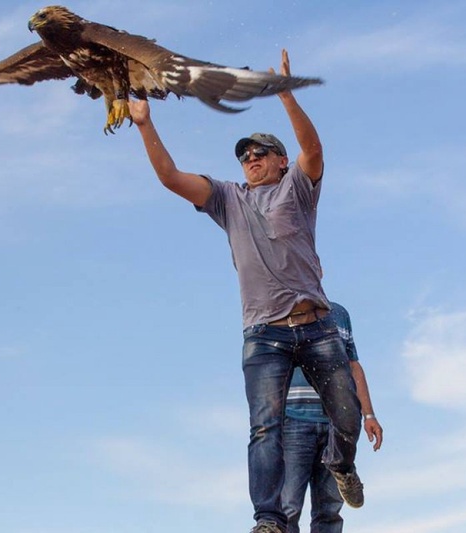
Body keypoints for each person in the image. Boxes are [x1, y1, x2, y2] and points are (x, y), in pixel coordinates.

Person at [128, 50, 363, 533]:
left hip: (317, 324)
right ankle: (269, 520)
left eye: (260, 154)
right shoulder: (226, 198)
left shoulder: (298, 188)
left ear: (279, 161)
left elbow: (313, 150)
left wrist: (286, 94)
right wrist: (144, 124)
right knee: (264, 428)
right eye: (245, 156)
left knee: (347, 414)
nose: (251, 160)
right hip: (264, 335)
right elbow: (171, 178)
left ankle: (341, 463)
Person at [282, 301, 383, 533]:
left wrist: (369, 414)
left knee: (329, 511)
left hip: (336, 423)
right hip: (293, 420)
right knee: (287, 509)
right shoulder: (278, 308)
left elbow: (353, 365)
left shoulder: (339, 314)